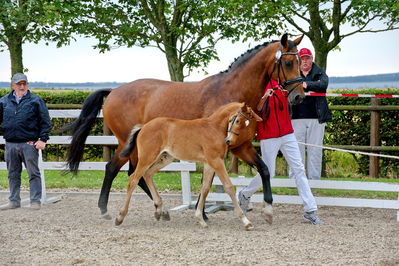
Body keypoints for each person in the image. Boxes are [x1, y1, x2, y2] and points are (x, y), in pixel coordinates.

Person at [238, 79, 323, 225]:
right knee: (268, 172)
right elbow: (254, 110)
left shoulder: (285, 80)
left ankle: (310, 210)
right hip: (268, 135)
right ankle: (245, 194)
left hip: (287, 132)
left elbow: (295, 98)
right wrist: (265, 97)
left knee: (299, 169)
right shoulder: (258, 83)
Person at [0, 73, 52, 211]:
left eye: (24, 84)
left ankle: (35, 201)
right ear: (12, 85)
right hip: (10, 143)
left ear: (27, 85)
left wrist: (42, 139)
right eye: (19, 84)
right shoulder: (4, 101)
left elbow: (45, 122)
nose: (22, 86)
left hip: (29, 143)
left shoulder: (35, 101)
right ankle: (14, 201)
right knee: (12, 173)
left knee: (33, 173)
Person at [290, 48, 332, 180]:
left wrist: (306, 84)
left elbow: (323, 85)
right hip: (296, 118)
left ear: (312, 59)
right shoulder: (292, 73)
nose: (305, 61)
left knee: (315, 150)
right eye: (302, 58)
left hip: (316, 118)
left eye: (307, 58)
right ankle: (295, 180)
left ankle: (315, 180)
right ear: (298, 60)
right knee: (296, 151)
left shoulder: (319, 72)